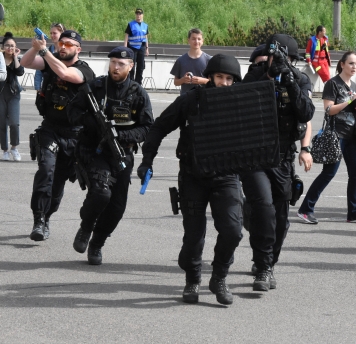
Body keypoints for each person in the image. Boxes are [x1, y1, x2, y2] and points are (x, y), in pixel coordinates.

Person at [137, 54, 244, 305]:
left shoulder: (242, 102)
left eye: (230, 79)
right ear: (210, 77)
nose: (224, 83)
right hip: (193, 175)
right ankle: (192, 279)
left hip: (227, 175)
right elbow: (159, 127)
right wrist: (147, 161)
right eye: (219, 77)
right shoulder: (191, 100)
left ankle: (219, 277)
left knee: (233, 231)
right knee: (194, 236)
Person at [242, 34, 315, 291]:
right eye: (272, 56)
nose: (275, 62)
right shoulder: (255, 75)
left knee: (281, 218)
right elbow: (241, 108)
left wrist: (290, 81)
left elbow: (306, 113)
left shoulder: (300, 79)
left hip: (283, 157)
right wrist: (268, 78)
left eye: (281, 58)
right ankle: (262, 267)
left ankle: (269, 262)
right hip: (256, 155)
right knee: (263, 208)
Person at [68, 46, 154, 265]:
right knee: (101, 193)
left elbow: (147, 127)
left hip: (122, 154)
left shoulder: (138, 93)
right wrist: (92, 124)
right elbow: (73, 112)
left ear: (131, 66)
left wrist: (123, 136)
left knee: (117, 207)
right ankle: (86, 227)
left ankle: (97, 243)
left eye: (121, 64)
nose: (116, 67)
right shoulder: (96, 87)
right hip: (96, 151)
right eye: (113, 62)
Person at [20, 30, 95, 241]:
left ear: (78, 49)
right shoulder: (51, 63)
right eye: (61, 43)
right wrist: (36, 47)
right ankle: (38, 219)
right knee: (45, 170)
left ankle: (47, 216)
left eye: (69, 44)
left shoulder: (84, 71)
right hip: (50, 129)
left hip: (74, 135)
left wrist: (45, 51)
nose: (63, 47)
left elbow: (65, 74)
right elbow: (25, 62)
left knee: (59, 182)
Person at [297, 51, 356, 224]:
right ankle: (306, 209)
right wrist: (349, 103)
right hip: (336, 135)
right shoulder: (332, 84)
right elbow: (329, 110)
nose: (354, 67)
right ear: (342, 64)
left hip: (353, 136)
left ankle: (354, 212)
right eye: (351, 63)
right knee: (329, 173)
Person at [0, 32, 24, 161]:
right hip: (0, 94)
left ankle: (14, 148)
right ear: (3, 47)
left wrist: (15, 57)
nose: (10, 48)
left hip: (13, 94)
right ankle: (5, 150)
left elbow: (20, 72)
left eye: (12, 46)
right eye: (7, 45)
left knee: (14, 123)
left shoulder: (17, 60)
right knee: (2, 123)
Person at [170, 28, 211, 94]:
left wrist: (202, 80)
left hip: (203, 99)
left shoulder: (209, 60)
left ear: (202, 41)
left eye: (199, 39)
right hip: (186, 99)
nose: (196, 41)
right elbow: (176, 82)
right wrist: (183, 80)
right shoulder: (180, 60)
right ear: (188, 40)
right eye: (193, 39)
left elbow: (214, 82)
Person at [34, 23, 64, 91]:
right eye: (51, 33)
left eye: (54, 33)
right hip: (48, 87)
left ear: (61, 33)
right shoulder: (48, 50)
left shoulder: (65, 52)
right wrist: (38, 88)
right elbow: (39, 71)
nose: (52, 35)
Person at [123, 8, 149, 84]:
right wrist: (125, 47)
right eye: (137, 14)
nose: (138, 16)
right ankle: (130, 82)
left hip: (141, 48)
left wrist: (147, 48)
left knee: (140, 67)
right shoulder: (131, 24)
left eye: (140, 14)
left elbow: (145, 37)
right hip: (132, 48)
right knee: (132, 66)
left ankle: (138, 83)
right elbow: (127, 35)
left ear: (142, 15)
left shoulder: (145, 26)